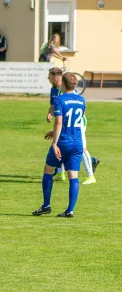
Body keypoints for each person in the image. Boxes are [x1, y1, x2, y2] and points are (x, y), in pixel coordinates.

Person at [33, 73, 85, 218]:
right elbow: (74, 121)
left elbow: (60, 122)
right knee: (73, 175)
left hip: (63, 142)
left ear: (62, 84)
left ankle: (46, 205)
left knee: (48, 170)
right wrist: (54, 131)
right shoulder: (82, 100)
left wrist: (55, 143)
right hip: (77, 143)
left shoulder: (59, 99)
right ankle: (70, 210)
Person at [45, 68, 99, 185]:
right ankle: (60, 173)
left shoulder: (71, 92)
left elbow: (78, 109)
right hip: (67, 123)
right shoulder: (57, 91)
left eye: (49, 76)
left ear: (59, 79)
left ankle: (91, 175)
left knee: (81, 148)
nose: (48, 79)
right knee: (61, 144)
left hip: (77, 124)